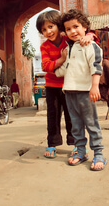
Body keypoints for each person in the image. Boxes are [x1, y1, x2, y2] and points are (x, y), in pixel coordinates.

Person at [36, 10, 94, 160]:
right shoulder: (44, 47)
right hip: (51, 86)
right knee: (53, 115)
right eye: (44, 29)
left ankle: (76, 144)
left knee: (72, 116)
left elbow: (84, 37)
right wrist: (61, 60)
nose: (48, 32)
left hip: (69, 85)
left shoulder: (67, 40)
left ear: (58, 26)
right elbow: (47, 67)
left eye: (51, 26)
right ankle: (52, 144)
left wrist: (89, 36)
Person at [55, 9, 107, 171]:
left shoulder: (90, 45)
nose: (72, 31)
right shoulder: (70, 47)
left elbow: (96, 66)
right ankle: (81, 151)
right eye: (68, 29)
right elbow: (66, 68)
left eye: (76, 27)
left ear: (85, 27)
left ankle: (98, 153)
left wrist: (94, 86)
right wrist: (56, 69)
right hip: (70, 92)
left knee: (91, 123)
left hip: (86, 91)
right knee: (75, 125)